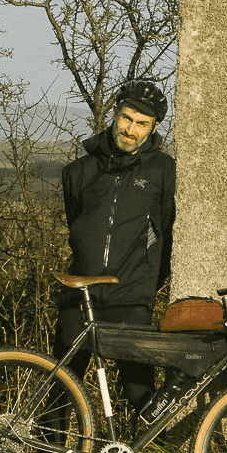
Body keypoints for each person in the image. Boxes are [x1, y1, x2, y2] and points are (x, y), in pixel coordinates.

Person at [54, 77, 177, 420]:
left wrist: (149, 280)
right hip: (79, 298)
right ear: (114, 113)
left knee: (141, 394)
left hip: (132, 298)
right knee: (62, 391)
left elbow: (166, 229)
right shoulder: (78, 172)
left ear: (153, 128)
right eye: (127, 118)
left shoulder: (164, 170)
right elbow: (77, 225)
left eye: (142, 124)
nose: (131, 130)